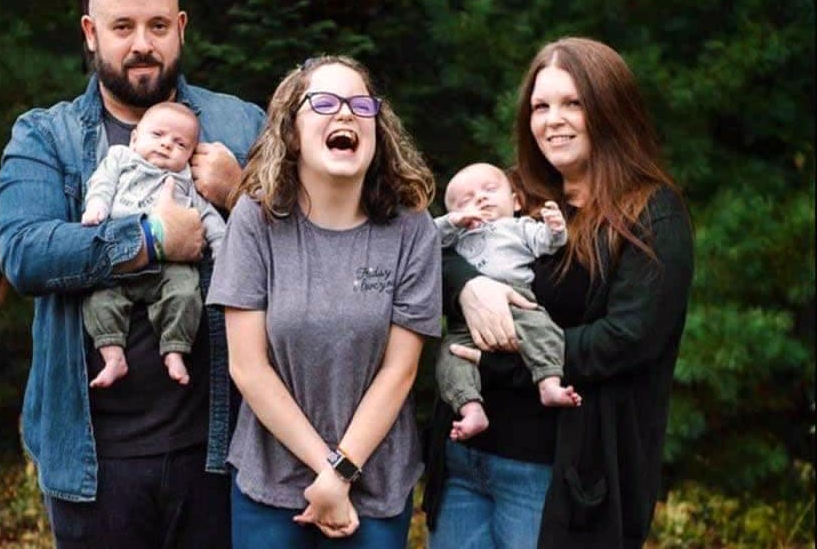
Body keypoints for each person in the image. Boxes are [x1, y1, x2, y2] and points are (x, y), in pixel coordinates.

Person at [0, 0, 265, 549]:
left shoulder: (239, 126)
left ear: (182, 28)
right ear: (91, 34)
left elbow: (308, 243)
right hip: (95, 461)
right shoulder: (46, 135)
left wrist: (238, 192)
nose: (143, 44)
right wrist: (149, 239)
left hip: (220, 451)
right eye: (123, 28)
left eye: (158, 26)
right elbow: (25, 252)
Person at [423, 37, 694, 549]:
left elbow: (627, 339)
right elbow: (427, 251)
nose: (554, 120)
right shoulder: (514, 194)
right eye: (541, 106)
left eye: (573, 103)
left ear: (612, 108)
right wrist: (470, 286)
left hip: (555, 476)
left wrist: (501, 358)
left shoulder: (650, 214)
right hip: (464, 464)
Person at [206, 55, 441, 549]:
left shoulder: (411, 228)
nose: (346, 115)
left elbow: (400, 371)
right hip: (269, 486)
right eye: (325, 103)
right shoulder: (255, 220)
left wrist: (343, 472)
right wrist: (327, 471)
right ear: (291, 132)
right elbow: (248, 367)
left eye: (360, 104)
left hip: (377, 490)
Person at [82, 101, 226, 388]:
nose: (166, 145)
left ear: (190, 155)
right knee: (99, 299)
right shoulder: (121, 158)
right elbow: (102, 183)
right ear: (135, 138)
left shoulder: (185, 179)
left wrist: (223, 250)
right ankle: (112, 356)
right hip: (121, 257)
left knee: (186, 294)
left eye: (180, 143)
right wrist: (97, 206)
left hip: (172, 267)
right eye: (157, 135)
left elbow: (208, 216)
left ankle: (174, 349)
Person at [434, 162, 580, 442]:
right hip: (464, 319)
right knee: (449, 357)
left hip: (517, 300)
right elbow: (425, 242)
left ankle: (549, 382)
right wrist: (453, 222)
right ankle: (471, 408)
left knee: (543, 329)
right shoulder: (457, 236)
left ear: (515, 202)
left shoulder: (519, 227)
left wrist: (555, 226)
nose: (479, 198)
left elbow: (550, 243)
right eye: (466, 199)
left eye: (489, 190)